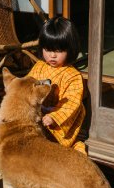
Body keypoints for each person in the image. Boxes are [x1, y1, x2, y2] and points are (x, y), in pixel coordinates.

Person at [26, 16, 87, 155]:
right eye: (48, 49)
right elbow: (28, 86)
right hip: (38, 114)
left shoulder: (73, 75)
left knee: (54, 146)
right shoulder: (39, 66)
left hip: (57, 122)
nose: (52, 55)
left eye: (59, 51)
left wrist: (55, 117)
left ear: (70, 49)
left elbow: (71, 103)